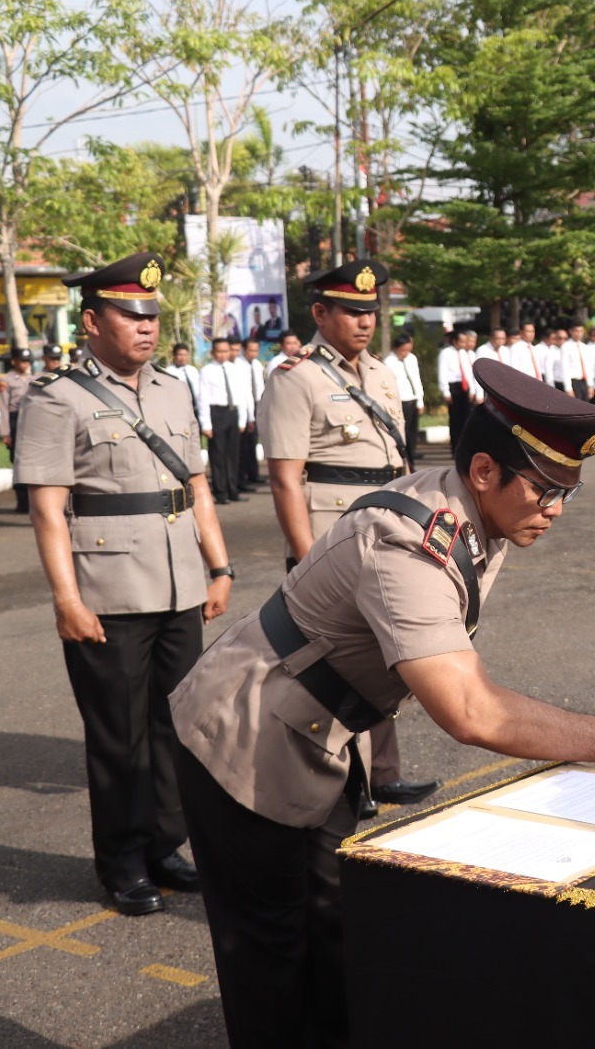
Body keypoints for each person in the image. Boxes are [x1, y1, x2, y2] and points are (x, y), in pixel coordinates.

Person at [169, 359, 595, 1049]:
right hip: (241, 742)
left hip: (319, 733)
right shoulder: (410, 543)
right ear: (485, 471)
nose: (557, 512)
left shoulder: (479, 515)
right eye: (545, 492)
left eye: (569, 493)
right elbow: (470, 711)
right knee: (271, 964)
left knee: (334, 938)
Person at [14, 251, 233, 916]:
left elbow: (195, 485)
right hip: (106, 589)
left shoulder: (173, 387)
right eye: (129, 315)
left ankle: (166, 845)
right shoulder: (59, 398)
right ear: (92, 322)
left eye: (151, 316)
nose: (144, 327)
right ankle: (123, 862)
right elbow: (48, 508)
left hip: (178, 584)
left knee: (176, 725)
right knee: (118, 734)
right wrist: (65, 598)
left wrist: (218, 566)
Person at [259, 258, 439, 812]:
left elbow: (399, 464)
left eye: (370, 312)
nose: (364, 321)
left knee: (386, 656)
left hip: (383, 530)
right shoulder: (297, 377)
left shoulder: (383, 375)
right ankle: (342, 779)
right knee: (332, 665)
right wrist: (306, 557)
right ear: (320, 313)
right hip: (328, 536)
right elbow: (287, 479)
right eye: (351, 311)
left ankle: (382, 774)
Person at [195, 338, 242, 504]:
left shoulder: (234, 368)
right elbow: (203, 398)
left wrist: (242, 418)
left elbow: (240, 395)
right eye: (220, 351)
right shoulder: (207, 370)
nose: (223, 354)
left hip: (232, 413)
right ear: (213, 353)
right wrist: (206, 424)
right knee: (218, 454)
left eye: (226, 351)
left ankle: (233, 490)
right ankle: (221, 492)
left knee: (233, 454)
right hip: (216, 413)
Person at [0, 347, 34, 513]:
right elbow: (4, 407)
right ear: (14, 362)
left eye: (28, 361)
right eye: (22, 361)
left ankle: (32, 500)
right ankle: (22, 501)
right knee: (18, 462)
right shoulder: (7, 381)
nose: (25, 364)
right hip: (15, 420)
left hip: (32, 420)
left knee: (32, 460)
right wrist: (5, 432)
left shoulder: (33, 378)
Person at [385, 333, 425, 471]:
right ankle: (404, 463)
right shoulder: (388, 362)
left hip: (413, 399)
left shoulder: (411, 358)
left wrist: (420, 400)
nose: (406, 353)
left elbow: (416, 379)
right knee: (403, 434)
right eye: (403, 350)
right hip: (400, 402)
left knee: (413, 434)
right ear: (395, 348)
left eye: (408, 349)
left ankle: (412, 461)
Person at [235, 338, 266, 491]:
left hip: (257, 404)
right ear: (244, 349)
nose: (253, 353)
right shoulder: (238, 365)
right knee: (243, 444)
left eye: (256, 350)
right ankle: (243, 477)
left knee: (253, 442)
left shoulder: (257, 365)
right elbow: (244, 390)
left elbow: (259, 386)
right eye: (251, 350)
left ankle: (254, 474)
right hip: (244, 405)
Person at [561, 323, 595, 403]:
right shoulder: (566, 347)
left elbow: (588, 368)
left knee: (586, 407)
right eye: (576, 331)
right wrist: (568, 388)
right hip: (574, 381)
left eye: (581, 331)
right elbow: (565, 368)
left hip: (584, 382)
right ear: (571, 331)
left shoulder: (585, 347)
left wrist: (591, 385)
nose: (579, 333)